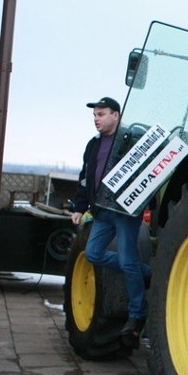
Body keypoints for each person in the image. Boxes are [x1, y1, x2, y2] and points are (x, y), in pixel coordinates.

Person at [71, 96, 150, 339]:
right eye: (94, 115)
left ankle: (137, 313)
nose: (96, 119)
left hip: (125, 212)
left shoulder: (131, 140)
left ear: (116, 115)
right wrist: (79, 206)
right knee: (93, 253)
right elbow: (86, 178)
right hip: (101, 211)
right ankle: (146, 272)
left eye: (101, 114)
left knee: (127, 261)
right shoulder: (92, 145)